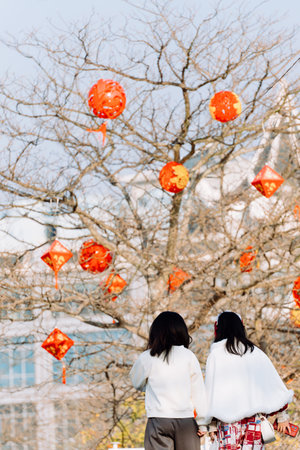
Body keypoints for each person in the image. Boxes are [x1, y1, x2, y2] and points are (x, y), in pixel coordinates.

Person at [201, 311, 294, 449]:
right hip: (254, 422)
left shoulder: (216, 356)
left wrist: (210, 425)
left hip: (227, 424)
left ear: (218, 328)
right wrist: (282, 417)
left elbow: (211, 393)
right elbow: (273, 385)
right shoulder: (255, 352)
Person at [130, 311, 207, 450]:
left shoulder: (148, 357)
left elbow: (136, 382)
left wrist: (149, 386)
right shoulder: (189, 356)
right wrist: (203, 423)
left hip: (158, 420)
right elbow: (198, 392)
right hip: (186, 422)